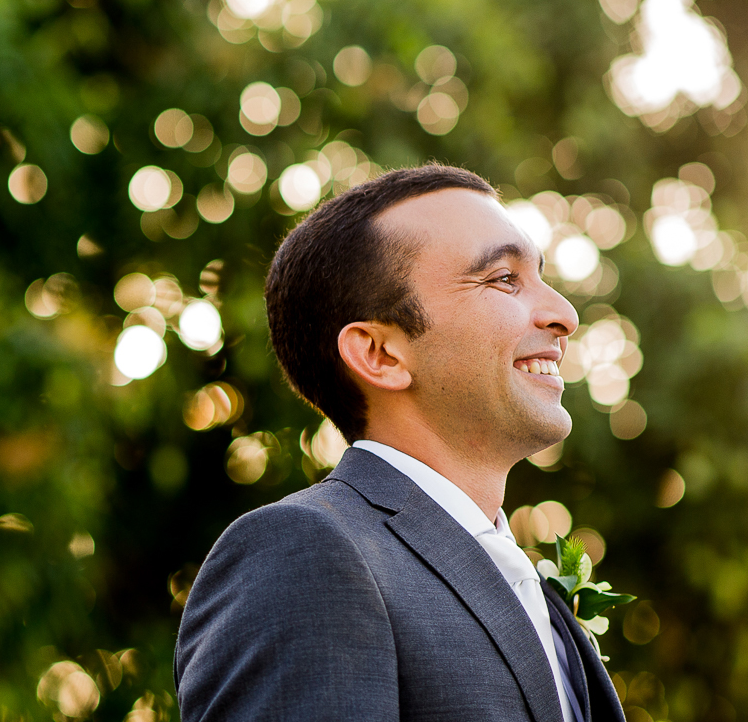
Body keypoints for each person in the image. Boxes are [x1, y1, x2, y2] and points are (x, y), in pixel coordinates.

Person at [174, 165, 625, 722]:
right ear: (380, 355)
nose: (565, 315)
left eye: (539, 275)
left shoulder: (535, 594)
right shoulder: (306, 554)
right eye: (504, 278)